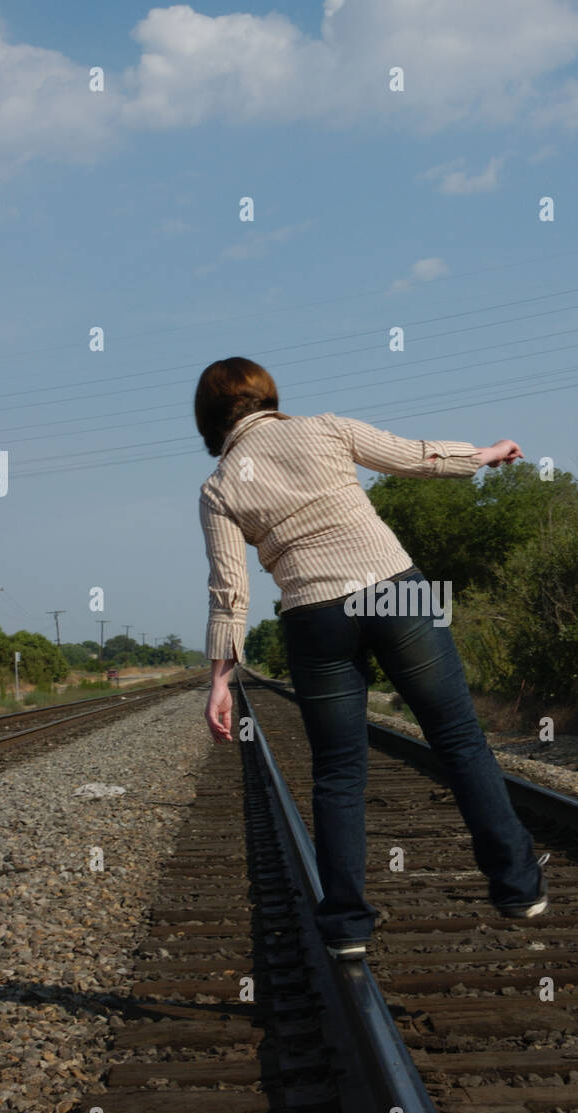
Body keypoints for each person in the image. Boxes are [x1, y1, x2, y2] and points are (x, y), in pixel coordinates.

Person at [196, 356, 549, 961]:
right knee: (460, 739)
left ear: (209, 418)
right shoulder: (325, 428)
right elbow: (416, 457)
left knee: (338, 771)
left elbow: (230, 591)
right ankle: (517, 887)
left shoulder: (219, 488)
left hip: (313, 614)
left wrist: (219, 680)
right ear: (267, 395)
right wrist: (486, 454)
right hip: (396, 589)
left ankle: (347, 925)